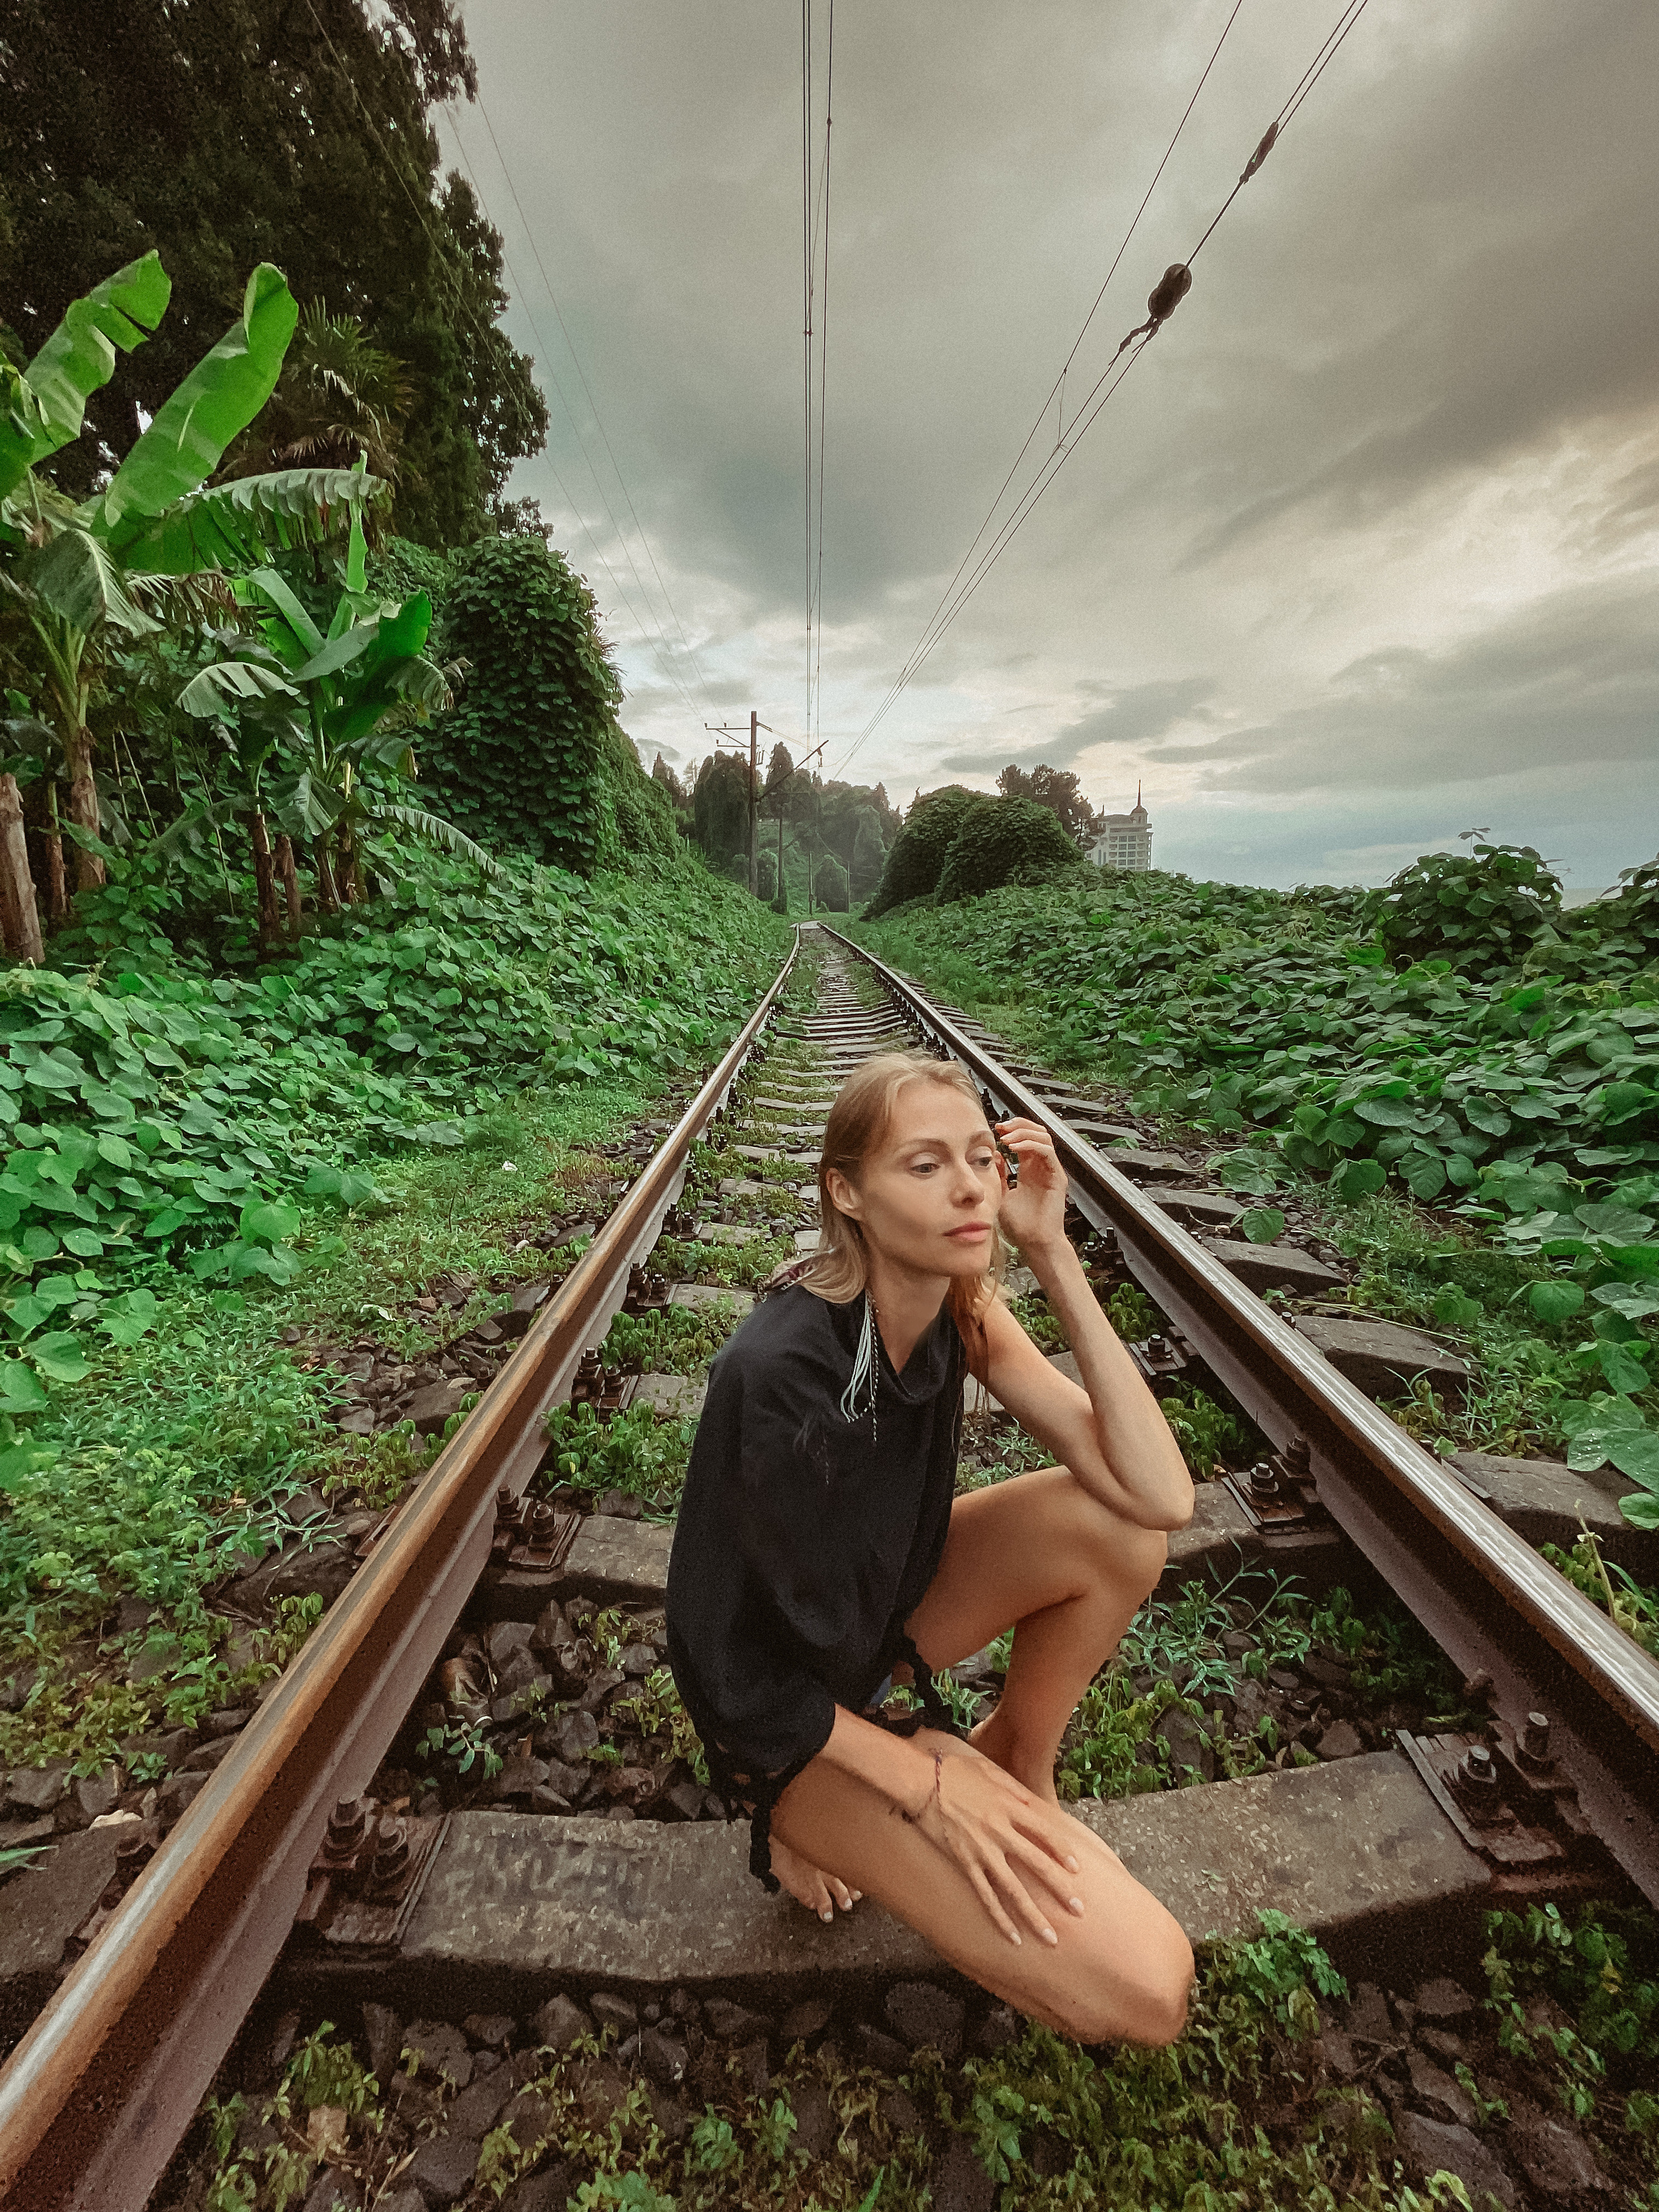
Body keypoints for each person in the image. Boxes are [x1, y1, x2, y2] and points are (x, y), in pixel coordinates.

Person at [666, 1049, 1196, 2047]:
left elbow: (1159, 1495)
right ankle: (791, 1820)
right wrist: (925, 1780)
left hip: (875, 1624)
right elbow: (719, 1662)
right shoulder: (778, 1375)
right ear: (846, 1190)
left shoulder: (961, 1303)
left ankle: (1018, 1764)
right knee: (1150, 1988)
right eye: (923, 1164)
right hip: (786, 1717)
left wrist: (1052, 1256)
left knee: (1118, 1529)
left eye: (980, 1158)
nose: (969, 1186)